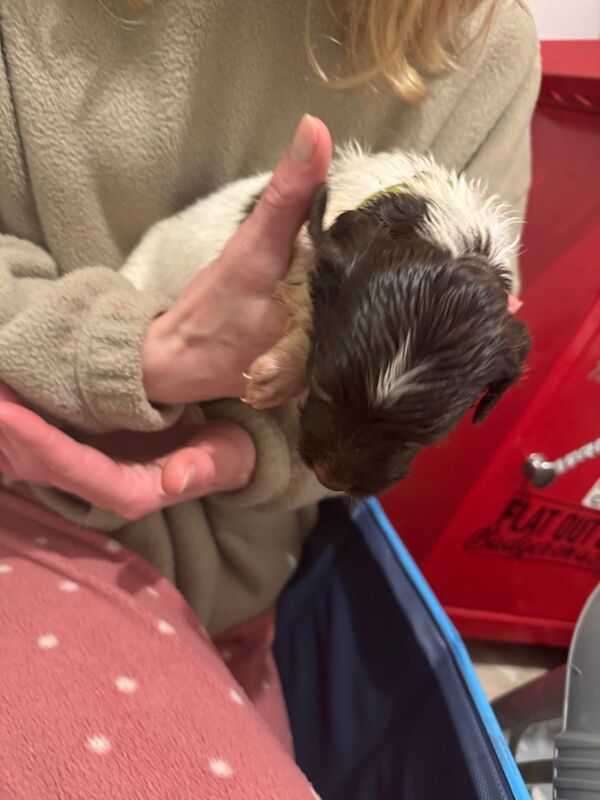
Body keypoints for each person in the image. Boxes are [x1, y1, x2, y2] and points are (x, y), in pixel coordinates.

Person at [0, 1, 540, 796]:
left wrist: (263, 458)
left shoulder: (486, 53)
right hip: (31, 497)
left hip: (245, 566)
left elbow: (393, 401)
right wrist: (139, 356)